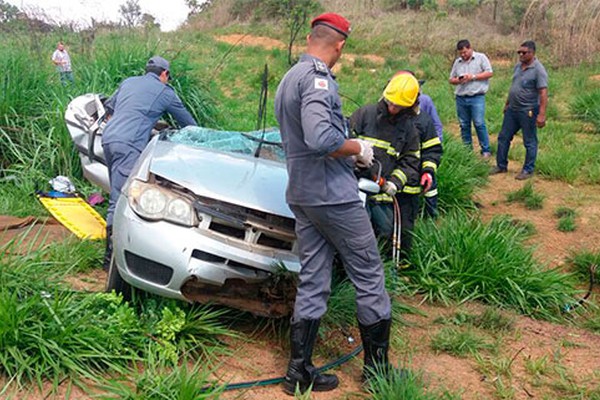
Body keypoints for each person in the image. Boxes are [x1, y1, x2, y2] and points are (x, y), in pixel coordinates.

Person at [274, 12, 393, 395]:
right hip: (333, 197)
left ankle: (299, 371)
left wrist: (347, 152)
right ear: (339, 45)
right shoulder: (318, 80)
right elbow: (322, 139)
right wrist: (358, 147)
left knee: (314, 277)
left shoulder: (290, 78)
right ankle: (377, 373)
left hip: (303, 194)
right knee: (369, 275)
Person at [101, 56, 197, 271]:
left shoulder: (129, 82)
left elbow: (111, 110)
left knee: (117, 192)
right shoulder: (165, 92)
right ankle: (110, 262)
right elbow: (189, 125)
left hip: (108, 139)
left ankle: (115, 252)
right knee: (119, 199)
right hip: (129, 144)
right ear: (164, 74)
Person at [349, 73, 422, 261]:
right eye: (390, 102)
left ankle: (378, 271)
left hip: (382, 194)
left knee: (384, 231)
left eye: (398, 106)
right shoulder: (365, 114)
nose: (392, 107)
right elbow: (343, 142)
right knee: (355, 233)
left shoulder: (409, 130)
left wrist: (394, 184)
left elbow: (410, 162)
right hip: (353, 189)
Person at [491, 40, 548, 180]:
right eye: (519, 52)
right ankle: (501, 165)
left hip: (528, 110)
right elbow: (513, 87)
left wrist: (541, 114)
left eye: (524, 52)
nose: (521, 55)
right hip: (512, 109)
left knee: (529, 141)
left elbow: (543, 93)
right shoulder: (518, 66)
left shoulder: (538, 70)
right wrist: (507, 104)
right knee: (503, 137)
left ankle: (528, 170)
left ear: (532, 53)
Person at [449, 39, 493, 157]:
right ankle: (467, 151)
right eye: (461, 53)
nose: (463, 55)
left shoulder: (481, 58)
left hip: (477, 97)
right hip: (461, 97)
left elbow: (489, 73)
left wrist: (473, 77)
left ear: (470, 48)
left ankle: (486, 150)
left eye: (465, 52)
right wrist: (459, 80)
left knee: (479, 123)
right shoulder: (457, 62)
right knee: (464, 125)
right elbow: (451, 79)